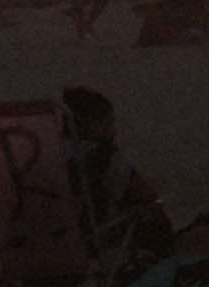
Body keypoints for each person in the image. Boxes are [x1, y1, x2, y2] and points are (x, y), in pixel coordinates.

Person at [64, 85, 174, 272]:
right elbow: (147, 196)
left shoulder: (36, 155)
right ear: (87, 124)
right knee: (153, 215)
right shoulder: (102, 156)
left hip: (31, 241)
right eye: (108, 124)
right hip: (86, 242)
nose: (113, 131)